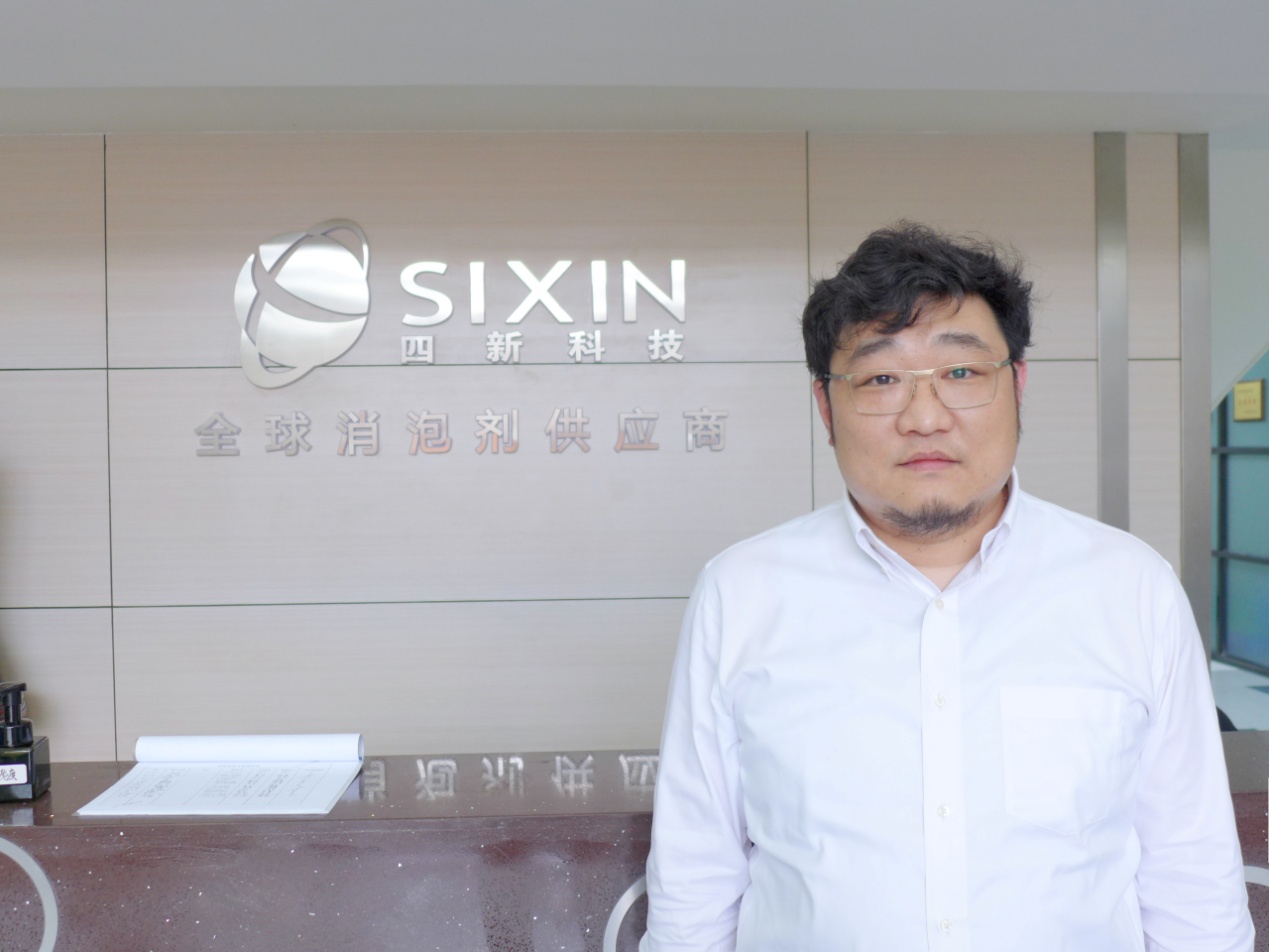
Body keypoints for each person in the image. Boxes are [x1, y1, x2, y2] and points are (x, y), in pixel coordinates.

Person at [640, 223, 1253, 951]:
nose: (924, 417)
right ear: (825, 407)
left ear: (1016, 385)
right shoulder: (742, 594)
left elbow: (1191, 875)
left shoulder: (1131, 589)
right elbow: (696, 876)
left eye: (961, 373)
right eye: (881, 379)